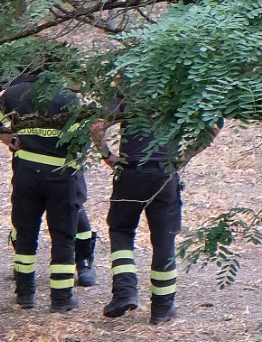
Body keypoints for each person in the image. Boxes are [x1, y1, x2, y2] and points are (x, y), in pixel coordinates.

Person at [90, 104, 214, 325]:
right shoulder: (182, 86)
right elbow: (213, 124)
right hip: (164, 173)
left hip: (130, 171)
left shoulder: (127, 87)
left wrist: (107, 155)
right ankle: (162, 308)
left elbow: (97, 126)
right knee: (164, 238)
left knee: (121, 229)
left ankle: (124, 292)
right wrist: (183, 156)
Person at [0, 71, 87, 312]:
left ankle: (25, 294)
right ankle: (61, 299)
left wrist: (9, 138)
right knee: (63, 237)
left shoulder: (15, 94)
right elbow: (80, 140)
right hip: (61, 176)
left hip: (26, 173)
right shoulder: (68, 98)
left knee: (26, 234)